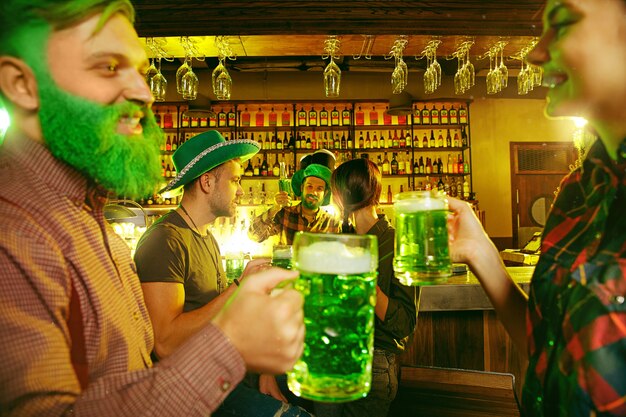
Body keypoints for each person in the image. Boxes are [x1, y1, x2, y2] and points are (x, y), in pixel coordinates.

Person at [0, 1, 304, 415]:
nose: (144, 93)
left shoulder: (89, 219)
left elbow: (134, 370)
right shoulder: (14, 233)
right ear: (21, 84)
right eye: (108, 66)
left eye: (141, 72)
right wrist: (230, 343)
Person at [447, 0, 626, 416]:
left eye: (562, 24)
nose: (535, 52)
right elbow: (545, 347)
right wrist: (481, 253)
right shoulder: (579, 188)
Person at [134, 130, 312, 417]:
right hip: (187, 392)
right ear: (206, 182)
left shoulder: (205, 237)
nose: (241, 190)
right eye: (235, 180)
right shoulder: (165, 240)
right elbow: (165, 343)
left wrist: (264, 370)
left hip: (221, 375)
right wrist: (238, 286)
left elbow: (222, 322)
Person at [315, 158, 418, 417]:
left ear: (341, 197)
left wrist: (366, 284)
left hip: (374, 361)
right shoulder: (342, 241)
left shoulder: (398, 242)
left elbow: (405, 323)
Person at [248, 149, 341, 245]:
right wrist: (274, 208)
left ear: (325, 193)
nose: (314, 192)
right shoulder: (284, 214)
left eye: (319, 188)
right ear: (302, 188)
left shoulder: (332, 222)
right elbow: (254, 236)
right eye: (309, 186)